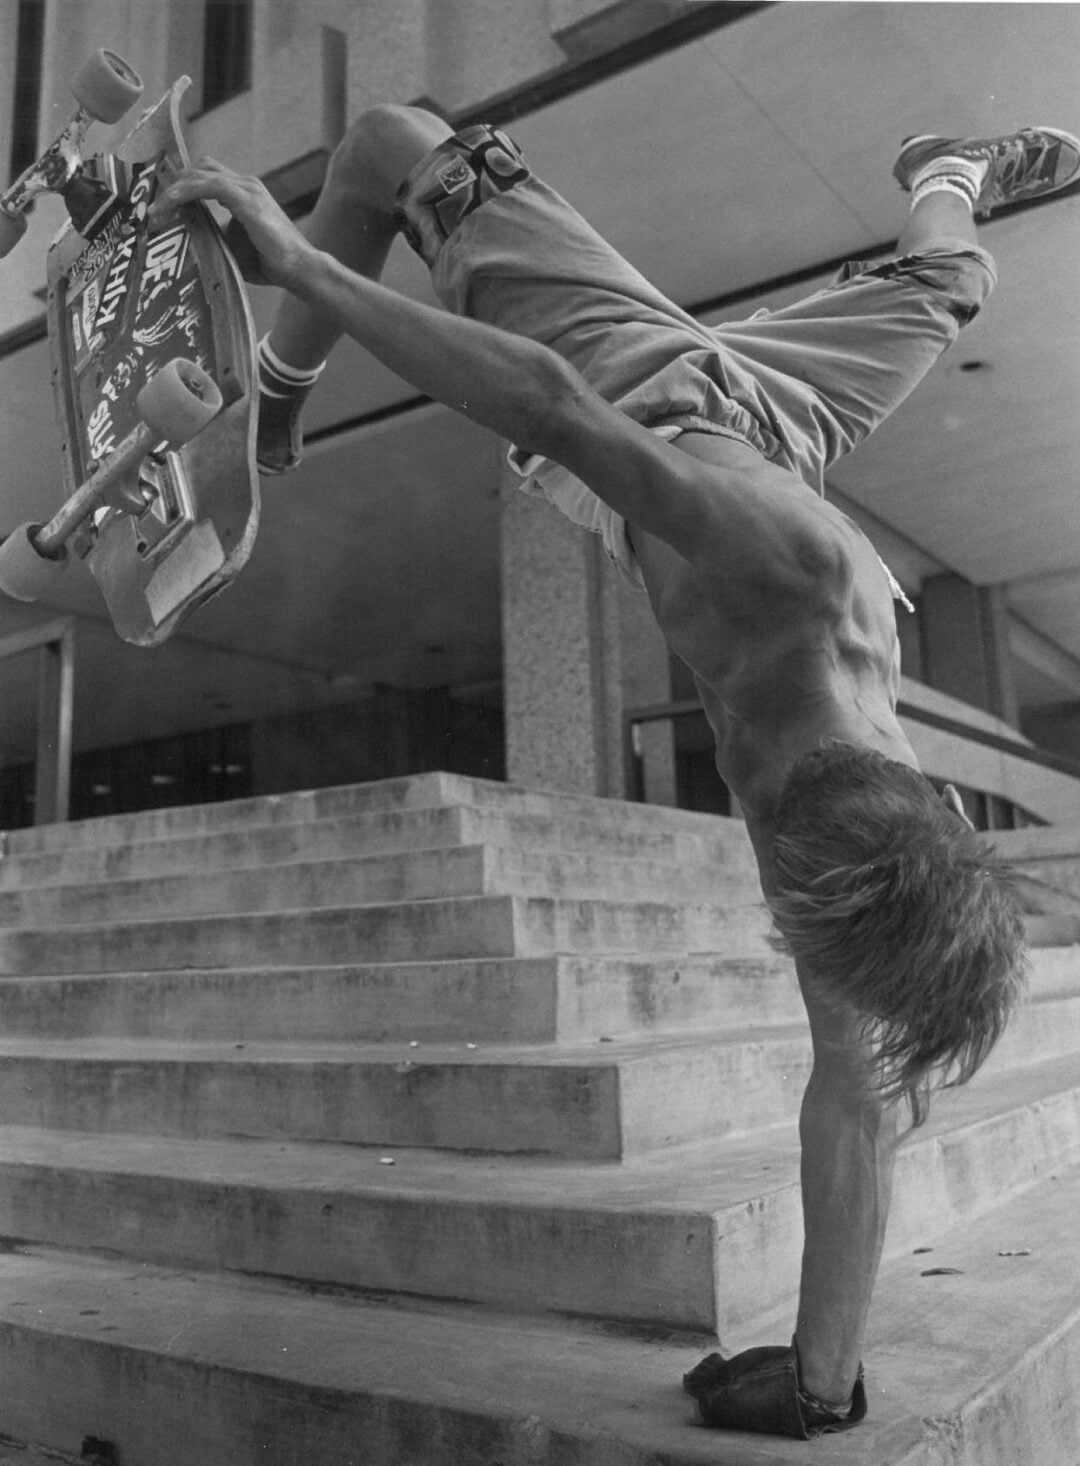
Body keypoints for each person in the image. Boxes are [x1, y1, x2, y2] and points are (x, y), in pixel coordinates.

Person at [153, 117, 1078, 1438]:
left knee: (947, 283)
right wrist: (302, 269)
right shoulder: (787, 577)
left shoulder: (884, 891)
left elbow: (863, 1100)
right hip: (669, 404)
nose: (774, 890)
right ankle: (281, 406)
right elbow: (548, 402)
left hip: (784, 426)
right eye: (792, 886)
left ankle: (951, 180)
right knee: (393, 149)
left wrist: (821, 1384)